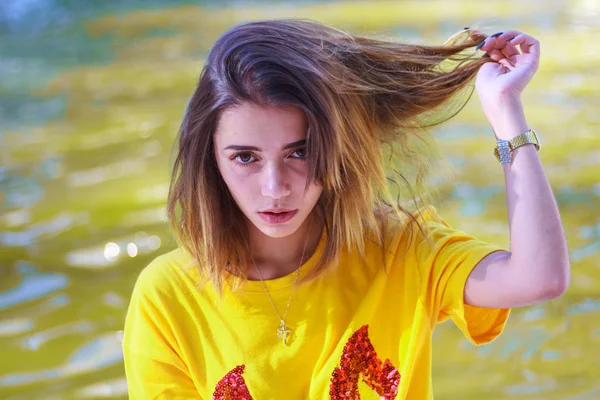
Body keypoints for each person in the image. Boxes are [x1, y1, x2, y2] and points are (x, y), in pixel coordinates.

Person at [121, 19, 569, 399]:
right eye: (245, 157)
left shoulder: (400, 250)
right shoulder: (166, 298)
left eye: (300, 152)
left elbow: (539, 278)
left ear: (337, 148)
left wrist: (506, 112)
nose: (275, 188)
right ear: (211, 159)